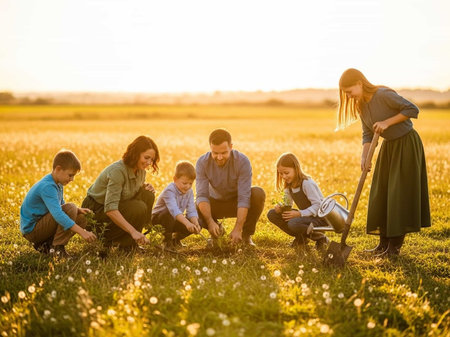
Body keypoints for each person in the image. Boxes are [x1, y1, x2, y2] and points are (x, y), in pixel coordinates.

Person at [337, 68, 431, 256]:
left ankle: (394, 248)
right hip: (389, 147)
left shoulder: (383, 94)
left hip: (406, 145)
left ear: (359, 83)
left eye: (349, 92)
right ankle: (383, 244)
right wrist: (365, 156)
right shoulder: (361, 105)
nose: (348, 96)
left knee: (398, 195)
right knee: (382, 194)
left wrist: (387, 122)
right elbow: (367, 133)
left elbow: (412, 109)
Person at [81, 135, 159, 251]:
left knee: (147, 195)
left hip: (114, 207)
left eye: (152, 159)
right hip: (96, 211)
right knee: (138, 207)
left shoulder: (141, 171)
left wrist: (144, 187)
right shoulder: (117, 171)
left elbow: (129, 190)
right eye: (146, 157)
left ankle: (130, 243)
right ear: (136, 154)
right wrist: (133, 231)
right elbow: (110, 209)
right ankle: (108, 239)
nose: (149, 162)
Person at [196, 128, 266, 247]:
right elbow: (202, 195)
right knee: (197, 203)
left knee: (257, 193)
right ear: (210, 148)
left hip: (236, 202)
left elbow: (244, 197)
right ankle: (216, 232)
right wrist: (210, 222)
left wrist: (238, 227)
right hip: (215, 203)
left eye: (223, 153)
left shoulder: (242, 161)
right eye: (215, 153)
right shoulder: (202, 162)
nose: (219, 157)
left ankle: (245, 236)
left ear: (231, 147)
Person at [20, 150, 97, 257]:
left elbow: (61, 206)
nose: (72, 179)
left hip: (42, 225)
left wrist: (78, 210)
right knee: (71, 208)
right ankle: (57, 248)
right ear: (58, 169)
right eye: (70, 175)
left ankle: (47, 245)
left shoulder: (58, 183)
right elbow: (59, 214)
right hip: (32, 231)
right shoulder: (48, 186)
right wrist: (82, 232)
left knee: (81, 216)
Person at [267, 153, 329, 251]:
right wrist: (281, 207)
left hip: (319, 219)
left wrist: (300, 214)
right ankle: (301, 238)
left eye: (286, 173)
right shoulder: (289, 185)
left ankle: (321, 238)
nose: (284, 176)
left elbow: (318, 206)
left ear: (296, 169)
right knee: (272, 214)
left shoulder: (306, 183)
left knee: (293, 223)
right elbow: (288, 203)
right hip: (305, 218)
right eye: (281, 174)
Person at [152, 161, 201, 249]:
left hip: (175, 219)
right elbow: (174, 211)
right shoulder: (169, 190)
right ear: (175, 179)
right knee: (169, 214)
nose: (188, 186)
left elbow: (191, 210)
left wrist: (195, 223)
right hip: (159, 220)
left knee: (197, 222)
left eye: (190, 183)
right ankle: (167, 241)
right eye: (184, 183)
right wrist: (187, 223)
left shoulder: (189, 192)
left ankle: (176, 240)